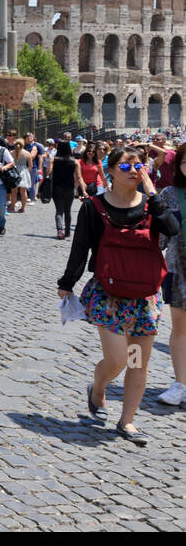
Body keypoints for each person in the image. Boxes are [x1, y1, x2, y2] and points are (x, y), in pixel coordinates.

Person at [57, 146, 179, 445]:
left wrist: (154, 194)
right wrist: (68, 281)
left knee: (138, 361)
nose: (135, 171)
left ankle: (127, 421)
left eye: (139, 165)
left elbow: (173, 229)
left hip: (143, 299)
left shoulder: (153, 205)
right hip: (108, 295)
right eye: (126, 166)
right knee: (118, 358)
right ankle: (98, 388)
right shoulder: (94, 207)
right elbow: (81, 248)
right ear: (109, 171)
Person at [157, 148, 186, 406]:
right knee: (180, 330)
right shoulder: (169, 194)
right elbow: (160, 238)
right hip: (179, 271)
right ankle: (180, 384)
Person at [51, 139, 80, 239]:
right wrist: (78, 189)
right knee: (68, 210)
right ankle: (67, 231)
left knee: (59, 210)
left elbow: (48, 172)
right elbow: (78, 177)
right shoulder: (75, 161)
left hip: (57, 187)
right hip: (69, 188)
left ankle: (60, 230)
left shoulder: (54, 160)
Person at [10, 136, 31, 213]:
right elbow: (30, 166)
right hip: (23, 172)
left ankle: (12, 207)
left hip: (14, 172)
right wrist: (26, 171)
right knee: (23, 192)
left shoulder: (11, 153)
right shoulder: (27, 153)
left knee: (13, 192)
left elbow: (9, 163)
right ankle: (23, 208)